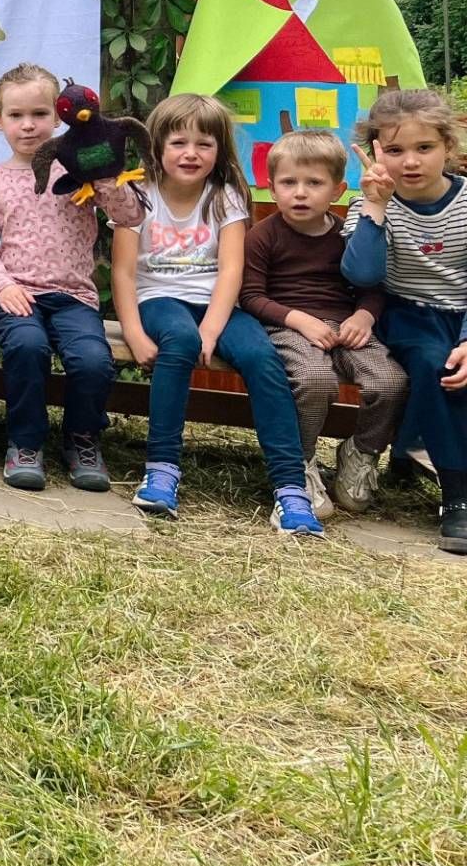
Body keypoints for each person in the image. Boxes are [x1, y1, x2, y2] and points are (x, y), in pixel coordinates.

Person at [112, 94, 321, 535]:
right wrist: (132, 330)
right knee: (181, 343)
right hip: (160, 300)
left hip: (217, 304)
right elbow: (125, 272)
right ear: (156, 147)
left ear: (219, 150)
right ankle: (162, 469)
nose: (191, 153)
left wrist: (212, 326)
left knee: (263, 357)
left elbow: (230, 270)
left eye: (204, 144)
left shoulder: (224, 197)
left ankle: (290, 489)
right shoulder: (137, 195)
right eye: (179, 142)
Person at [0, 63, 143, 493]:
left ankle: (82, 440)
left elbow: (130, 216)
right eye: (16, 116)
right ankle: (25, 443)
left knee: (92, 360)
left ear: (59, 116)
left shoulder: (80, 169)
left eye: (40, 114)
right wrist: (3, 286)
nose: (28, 126)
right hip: (15, 296)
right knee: (28, 346)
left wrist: (104, 180)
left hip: (73, 297)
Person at [241, 128, 405, 516]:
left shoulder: (348, 232)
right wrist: (300, 321)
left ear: (337, 189)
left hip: (346, 324)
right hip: (288, 326)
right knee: (316, 380)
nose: (300, 192)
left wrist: (365, 315)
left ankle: (361, 453)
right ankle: (300, 462)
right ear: (271, 186)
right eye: (288, 182)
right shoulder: (262, 236)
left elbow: (371, 283)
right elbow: (250, 296)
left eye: (314, 183)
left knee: (391, 381)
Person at [342, 89, 467, 553]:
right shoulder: (371, 206)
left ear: (448, 149)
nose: (409, 162)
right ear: (375, 152)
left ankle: (410, 448)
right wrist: (375, 205)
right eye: (394, 150)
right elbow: (363, 275)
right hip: (406, 312)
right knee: (440, 367)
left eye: (423, 148)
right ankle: (457, 496)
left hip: (463, 315)